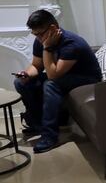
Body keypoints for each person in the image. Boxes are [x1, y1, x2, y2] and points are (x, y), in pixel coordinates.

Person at [13, 10, 101, 153]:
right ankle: (37, 124)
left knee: (50, 84)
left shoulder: (71, 44)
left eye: (40, 34)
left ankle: (50, 136)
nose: (38, 38)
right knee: (21, 83)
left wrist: (47, 48)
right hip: (62, 75)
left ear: (53, 28)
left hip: (86, 78)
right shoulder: (41, 40)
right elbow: (36, 65)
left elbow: (53, 76)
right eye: (35, 34)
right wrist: (26, 74)